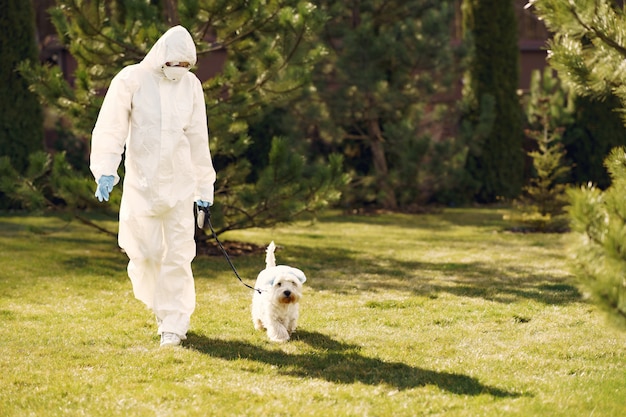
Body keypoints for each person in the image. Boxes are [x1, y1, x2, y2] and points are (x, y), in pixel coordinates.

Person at [90, 26, 216, 347]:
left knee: (178, 254)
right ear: (162, 57)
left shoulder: (191, 86)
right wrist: (106, 168)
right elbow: (111, 127)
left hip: (180, 185)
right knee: (143, 253)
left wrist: (204, 190)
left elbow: (198, 138)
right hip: (141, 186)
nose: (181, 71)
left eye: (187, 66)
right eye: (176, 64)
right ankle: (159, 305)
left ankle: (174, 322)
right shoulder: (132, 79)